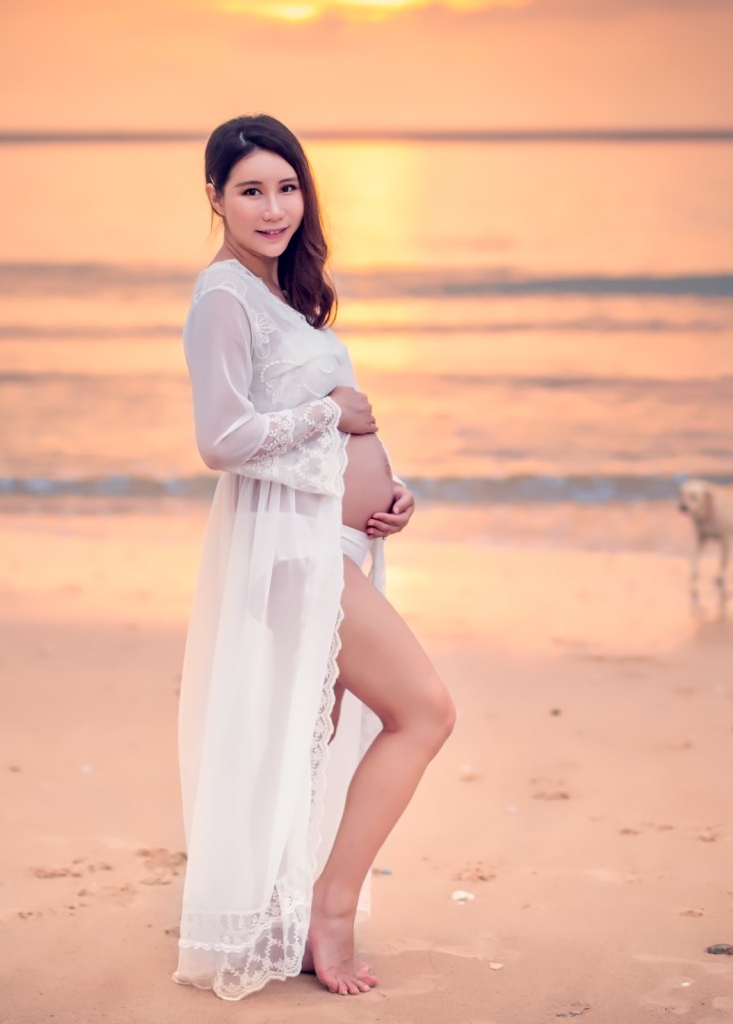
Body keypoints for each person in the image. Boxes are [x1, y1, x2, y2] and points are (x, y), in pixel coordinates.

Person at [171, 114, 456, 1001]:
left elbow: (316, 415)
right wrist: (336, 416)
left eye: (286, 186)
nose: (273, 206)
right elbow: (223, 439)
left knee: (309, 742)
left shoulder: (283, 294)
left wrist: (389, 486)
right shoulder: (223, 295)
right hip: (291, 552)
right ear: (214, 198)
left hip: (330, 539)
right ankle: (332, 909)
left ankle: (285, 915)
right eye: (251, 189)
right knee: (426, 713)